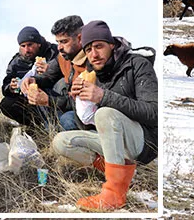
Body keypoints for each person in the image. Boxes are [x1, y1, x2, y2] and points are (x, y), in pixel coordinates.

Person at [52, 20, 157, 212]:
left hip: (143, 142)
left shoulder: (137, 64)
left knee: (105, 113)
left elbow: (153, 113)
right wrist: (80, 102)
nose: (94, 54)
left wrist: (103, 96)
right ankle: (121, 173)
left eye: (99, 46)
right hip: (113, 142)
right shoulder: (94, 74)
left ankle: (114, 195)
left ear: (112, 45)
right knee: (60, 141)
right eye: (89, 49)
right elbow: (87, 123)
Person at [22, 15, 86, 132]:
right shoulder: (63, 57)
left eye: (64, 42)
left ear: (80, 38)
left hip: (86, 111)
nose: (60, 47)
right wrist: (33, 80)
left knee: (67, 120)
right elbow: (48, 76)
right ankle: (50, 130)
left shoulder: (93, 59)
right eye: (58, 42)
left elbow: (82, 101)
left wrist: (49, 101)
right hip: (69, 105)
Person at [0, 26, 58, 128]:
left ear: (38, 43)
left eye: (30, 45)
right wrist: (11, 87)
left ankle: (55, 124)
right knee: (6, 104)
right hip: (30, 101)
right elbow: (6, 85)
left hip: (52, 98)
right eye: (23, 46)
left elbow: (66, 74)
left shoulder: (54, 52)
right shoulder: (16, 62)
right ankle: (35, 126)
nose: (27, 50)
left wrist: (51, 70)